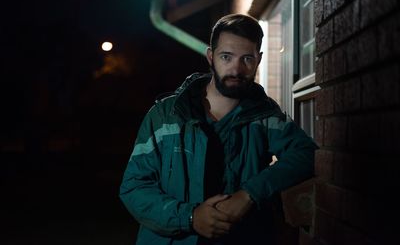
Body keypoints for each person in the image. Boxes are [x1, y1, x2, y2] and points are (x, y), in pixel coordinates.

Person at [120, 14, 318, 245]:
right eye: (226, 57)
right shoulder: (166, 116)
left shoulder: (265, 116)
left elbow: (307, 153)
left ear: (259, 59)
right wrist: (191, 217)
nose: (236, 69)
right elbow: (133, 187)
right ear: (210, 56)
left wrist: (249, 194)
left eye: (247, 58)